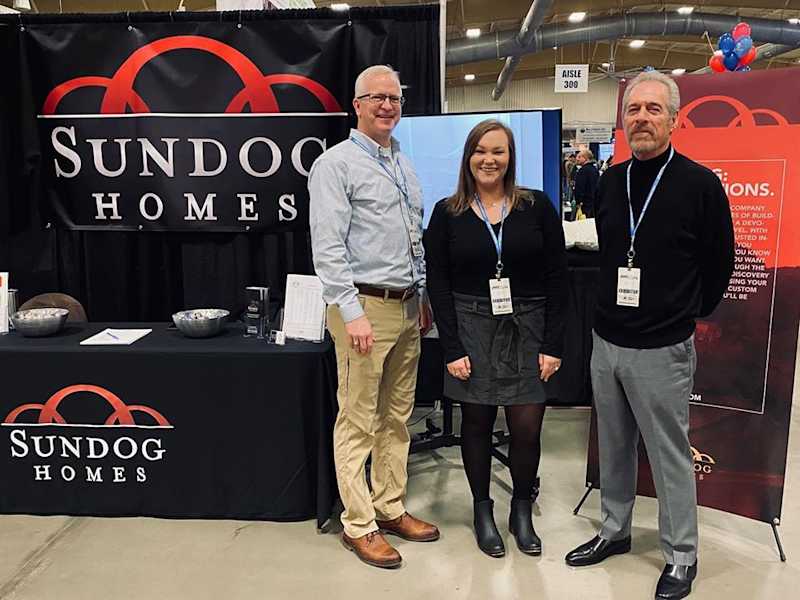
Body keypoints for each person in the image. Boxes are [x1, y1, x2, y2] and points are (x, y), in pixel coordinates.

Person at [564, 71, 734, 600]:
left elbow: (719, 262)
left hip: (662, 347)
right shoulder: (612, 180)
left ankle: (681, 554)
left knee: (669, 455)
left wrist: (682, 312)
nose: (641, 118)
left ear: (674, 118)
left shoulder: (700, 184)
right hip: (608, 341)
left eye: (653, 109)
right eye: (633, 109)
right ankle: (614, 530)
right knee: (613, 447)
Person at [308, 64, 439, 570]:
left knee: (397, 417)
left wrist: (422, 294)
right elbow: (328, 246)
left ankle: (388, 507)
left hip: (407, 306)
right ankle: (358, 524)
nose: (387, 105)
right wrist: (351, 310)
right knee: (358, 418)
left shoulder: (402, 164)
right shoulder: (336, 165)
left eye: (394, 97)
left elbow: (412, 237)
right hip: (363, 309)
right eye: (376, 97)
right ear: (356, 104)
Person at [424, 119, 568, 558]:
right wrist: (451, 347)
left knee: (526, 426)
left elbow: (558, 276)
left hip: (529, 325)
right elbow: (439, 285)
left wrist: (553, 344)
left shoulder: (536, 207)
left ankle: (520, 509)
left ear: (510, 158)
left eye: (499, 152)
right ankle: (483, 510)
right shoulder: (446, 212)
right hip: (470, 326)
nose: (489, 159)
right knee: (477, 423)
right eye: (481, 151)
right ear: (469, 157)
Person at [573, 149, 600, 218]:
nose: (577, 159)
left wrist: (578, 202)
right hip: (595, 203)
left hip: (585, 204)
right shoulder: (595, 170)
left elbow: (579, 187)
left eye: (579, 157)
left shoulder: (582, 171)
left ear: (585, 158)